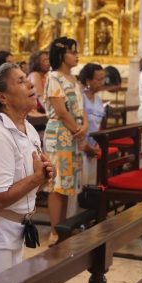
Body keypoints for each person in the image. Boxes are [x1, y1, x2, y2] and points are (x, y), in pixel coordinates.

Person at [0, 62, 54, 282]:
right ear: (2, 97)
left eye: (27, 78)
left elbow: (27, 184)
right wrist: (36, 178)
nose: (30, 85)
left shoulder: (29, 130)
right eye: (20, 81)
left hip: (14, 231)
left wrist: (43, 176)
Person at [43, 37, 88, 246]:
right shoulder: (54, 77)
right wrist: (78, 130)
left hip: (73, 134)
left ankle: (65, 227)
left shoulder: (74, 78)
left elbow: (81, 107)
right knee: (57, 183)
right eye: (72, 51)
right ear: (61, 55)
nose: (76, 55)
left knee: (69, 182)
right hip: (60, 134)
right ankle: (55, 230)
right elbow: (60, 111)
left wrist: (84, 126)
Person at [78, 63, 106, 185]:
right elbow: (77, 124)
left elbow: (99, 124)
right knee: (80, 185)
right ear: (88, 80)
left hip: (93, 148)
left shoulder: (99, 100)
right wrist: (85, 146)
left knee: (91, 184)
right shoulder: (80, 97)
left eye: (103, 79)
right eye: (98, 79)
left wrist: (98, 145)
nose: (102, 82)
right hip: (81, 148)